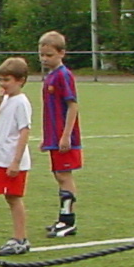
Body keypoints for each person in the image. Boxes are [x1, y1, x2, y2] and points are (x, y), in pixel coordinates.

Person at [0, 56, 33, 255]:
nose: (3, 84)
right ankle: (18, 237)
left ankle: (20, 238)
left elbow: (25, 131)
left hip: (12, 159)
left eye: (7, 80)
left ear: (20, 80)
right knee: (8, 197)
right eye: (1, 80)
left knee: (14, 198)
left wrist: (15, 161)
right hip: (0, 157)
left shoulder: (21, 102)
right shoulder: (6, 100)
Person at [38, 30, 82, 238]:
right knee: (59, 175)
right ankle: (63, 218)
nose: (45, 59)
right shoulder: (50, 76)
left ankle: (69, 220)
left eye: (49, 55)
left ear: (61, 53)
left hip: (65, 137)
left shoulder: (64, 75)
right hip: (54, 137)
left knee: (65, 175)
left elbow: (72, 106)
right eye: (42, 55)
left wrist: (66, 135)